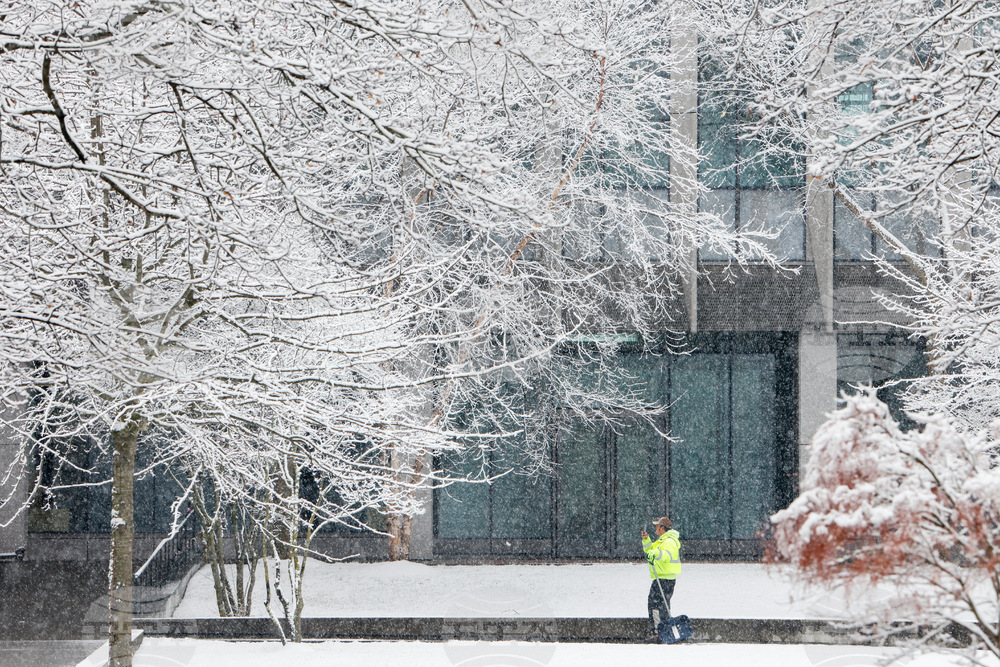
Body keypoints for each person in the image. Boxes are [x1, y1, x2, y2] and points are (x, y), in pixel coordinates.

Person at [640, 516, 681, 642]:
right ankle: (664, 633)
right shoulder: (663, 540)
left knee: (655, 604)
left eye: (657, 526)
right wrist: (646, 541)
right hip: (663, 577)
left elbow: (667, 555)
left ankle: (658, 634)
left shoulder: (669, 541)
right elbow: (650, 553)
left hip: (664, 578)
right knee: (662, 605)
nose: (655, 529)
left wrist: (655, 553)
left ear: (662, 528)